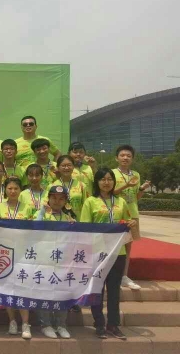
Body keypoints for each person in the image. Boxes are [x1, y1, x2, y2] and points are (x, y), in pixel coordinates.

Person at [80, 168, 136, 340]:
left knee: (114, 290)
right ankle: (99, 324)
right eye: (103, 179)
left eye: (110, 179)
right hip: (98, 253)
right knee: (97, 289)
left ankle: (113, 325)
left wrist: (130, 223)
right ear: (97, 182)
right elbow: (85, 227)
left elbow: (126, 220)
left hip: (118, 252)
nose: (106, 182)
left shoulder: (120, 201)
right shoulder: (90, 202)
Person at [34, 185, 77, 339]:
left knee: (62, 293)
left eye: (61, 199)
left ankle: (61, 324)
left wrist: (74, 227)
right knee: (44, 292)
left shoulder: (68, 218)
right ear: (48, 199)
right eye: (53, 198)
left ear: (65, 201)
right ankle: (45, 324)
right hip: (44, 260)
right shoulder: (42, 214)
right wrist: (41, 212)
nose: (57, 201)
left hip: (62, 263)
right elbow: (34, 229)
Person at [0, 176, 34, 339]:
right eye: (10, 188)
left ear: (20, 190)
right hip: (4, 253)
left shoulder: (28, 208)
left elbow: (34, 229)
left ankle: (25, 324)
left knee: (22, 287)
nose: (13, 191)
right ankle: (12, 321)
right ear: (5, 190)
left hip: (22, 253)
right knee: (8, 288)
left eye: (16, 188)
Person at [113, 145, 151, 291]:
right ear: (116, 158)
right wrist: (126, 185)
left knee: (128, 246)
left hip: (132, 214)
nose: (125, 158)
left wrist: (142, 189)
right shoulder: (112, 173)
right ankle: (111, 275)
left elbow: (136, 197)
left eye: (128, 156)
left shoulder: (136, 174)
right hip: (116, 213)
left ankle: (124, 276)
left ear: (132, 159)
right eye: (122, 155)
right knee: (114, 245)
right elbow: (110, 193)